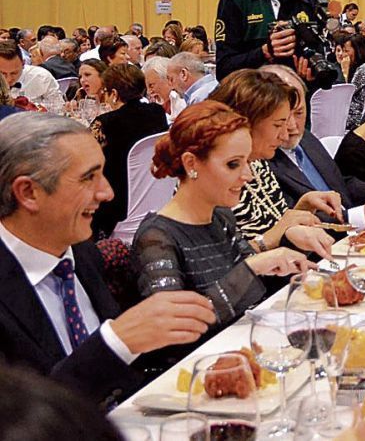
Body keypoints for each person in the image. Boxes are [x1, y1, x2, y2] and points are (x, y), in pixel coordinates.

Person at [0, 113, 216, 408]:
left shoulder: (81, 252)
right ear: (28, 192)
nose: (107, 193)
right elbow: (20, 419)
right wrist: (115, 342)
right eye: (89, 177)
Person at [134, 101, 313, 334]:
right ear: (191, 164)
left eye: (247, 162)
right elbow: (175, 331)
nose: (247, 175)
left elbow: (253, 288)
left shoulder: (220, 217)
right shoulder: (156, 238)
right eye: (233, 164)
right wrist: (253, 266)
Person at [263, 66, 365, 231]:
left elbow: (341, 183)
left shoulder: (305, 138)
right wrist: (362, 215)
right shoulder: (261, 161)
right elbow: (287, 224)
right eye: (281, 119)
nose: (291, 126)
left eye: (299, 113)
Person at [208, 70, 339, 259]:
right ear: (247, 121)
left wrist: (302, 208)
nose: (285, 135)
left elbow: (279, 225)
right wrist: (268, 239)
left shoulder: (258, 162)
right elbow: (221, 269)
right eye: (278, 125)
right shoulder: (213, 177)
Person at [88, 64, 168, 238]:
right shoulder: (157, 113)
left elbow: (84, 159)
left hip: (115, 206)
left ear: (114, 94)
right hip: (155, 199)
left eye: (105, 92)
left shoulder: (105, 123)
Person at [336, 33, 365, 131]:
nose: (343, 54)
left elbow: (346, 95)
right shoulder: (358, 66)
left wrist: (345, 72)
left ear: (359, 50)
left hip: (356, 116)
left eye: (346, 51)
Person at [0, 40, 62, 105]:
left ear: (23, 64)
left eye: (14, 73)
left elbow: (58, 106)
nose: (8, 79)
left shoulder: (41, 77)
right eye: (2, 73)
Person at [142, 57, 187, 123]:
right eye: (146, 87)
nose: (149, 92)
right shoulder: (150, 107)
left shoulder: (185, 101)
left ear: (168, 80)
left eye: (151, 86)